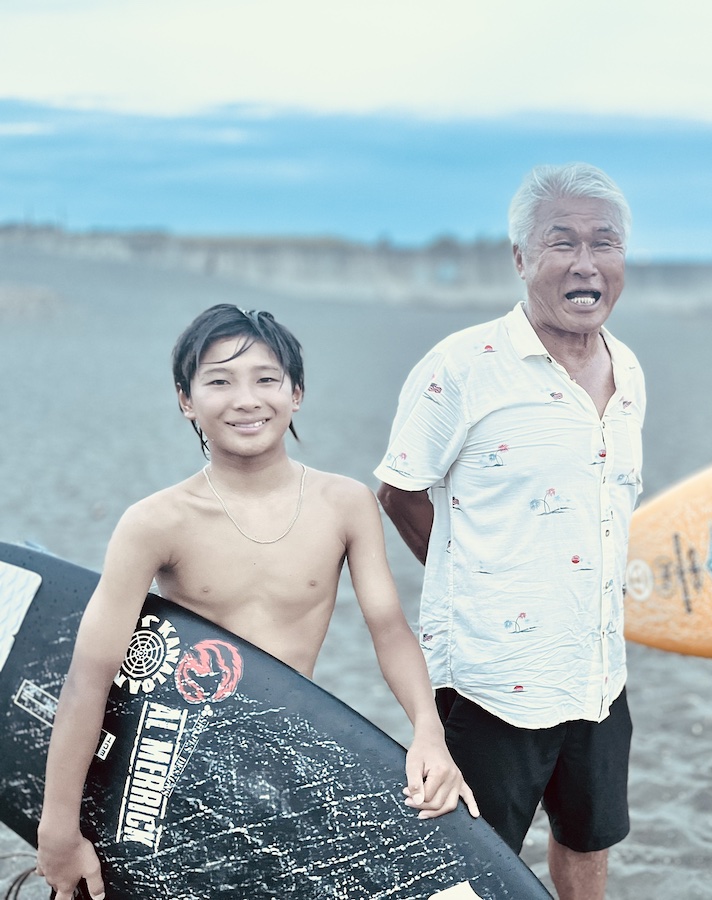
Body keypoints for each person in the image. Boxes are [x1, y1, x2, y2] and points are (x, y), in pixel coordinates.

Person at [35, 304, 475, 900]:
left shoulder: (344, 504)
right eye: (219, 381)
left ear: (296, 393)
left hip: (285, 758)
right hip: (174, 766)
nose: (246, 400)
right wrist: (57, 828)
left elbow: (389, 628)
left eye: (266, 379)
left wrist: (428, 732)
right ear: (186, 400)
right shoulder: (155, 522)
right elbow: (90, 676)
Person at [375, 162, 644, 900]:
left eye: (605, 243)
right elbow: (399, 492)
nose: (586, 263)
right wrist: (479, 578)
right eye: (562, 242)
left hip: (597, 668)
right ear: (521, 259)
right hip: (494, 676)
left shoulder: (630, 372)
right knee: (467, 860)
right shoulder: (462, 367)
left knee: (588, 838)